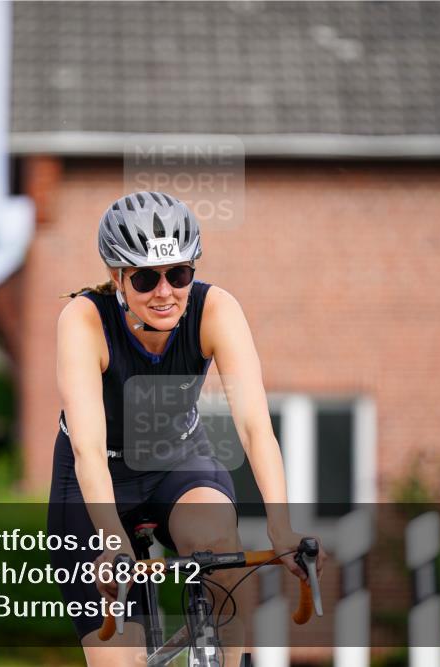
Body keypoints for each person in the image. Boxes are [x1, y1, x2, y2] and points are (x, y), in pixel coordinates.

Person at [47, 191, 324, 666]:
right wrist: (114, 545)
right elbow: (89, 451)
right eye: (146, 278)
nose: (164, 291)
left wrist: (281, 527)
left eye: (178, 274)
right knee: (117, 658)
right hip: (96, 475)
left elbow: (256, 427)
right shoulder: (83, 320)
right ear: (117, 278)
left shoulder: (215, 310)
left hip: (176, 459)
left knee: (218, 545)